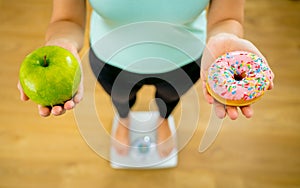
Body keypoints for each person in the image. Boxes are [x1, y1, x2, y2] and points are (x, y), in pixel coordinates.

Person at [18, 0, 274, 157]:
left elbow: (227, 16)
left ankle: (163, 119)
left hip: (185, 60)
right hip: (110, 60)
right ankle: (125, 119)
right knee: (120, 99)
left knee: (168, 98)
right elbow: (67, 18)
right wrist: (59, 43)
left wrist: (224, 38)